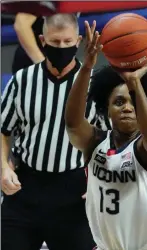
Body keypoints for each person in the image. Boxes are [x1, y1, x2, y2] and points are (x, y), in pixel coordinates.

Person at [65, 21, 147, 250]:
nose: (127, 107)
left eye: (133, 101)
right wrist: (86, 67)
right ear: (107, 109)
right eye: (119, 102)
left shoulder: (146, 149)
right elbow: (73, 124)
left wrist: (135, 82)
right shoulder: (95, 143)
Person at [1, 14, 97, 250]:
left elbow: (111, 141)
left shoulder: (94, 84)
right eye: (55, 43)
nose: (62, 48)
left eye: (67, 42)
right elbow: (3, 129)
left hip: (75, 190)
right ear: (42, 40)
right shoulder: (22, 80)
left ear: (79, 41)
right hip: (26, 186)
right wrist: (3, 166)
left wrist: (100, 182)